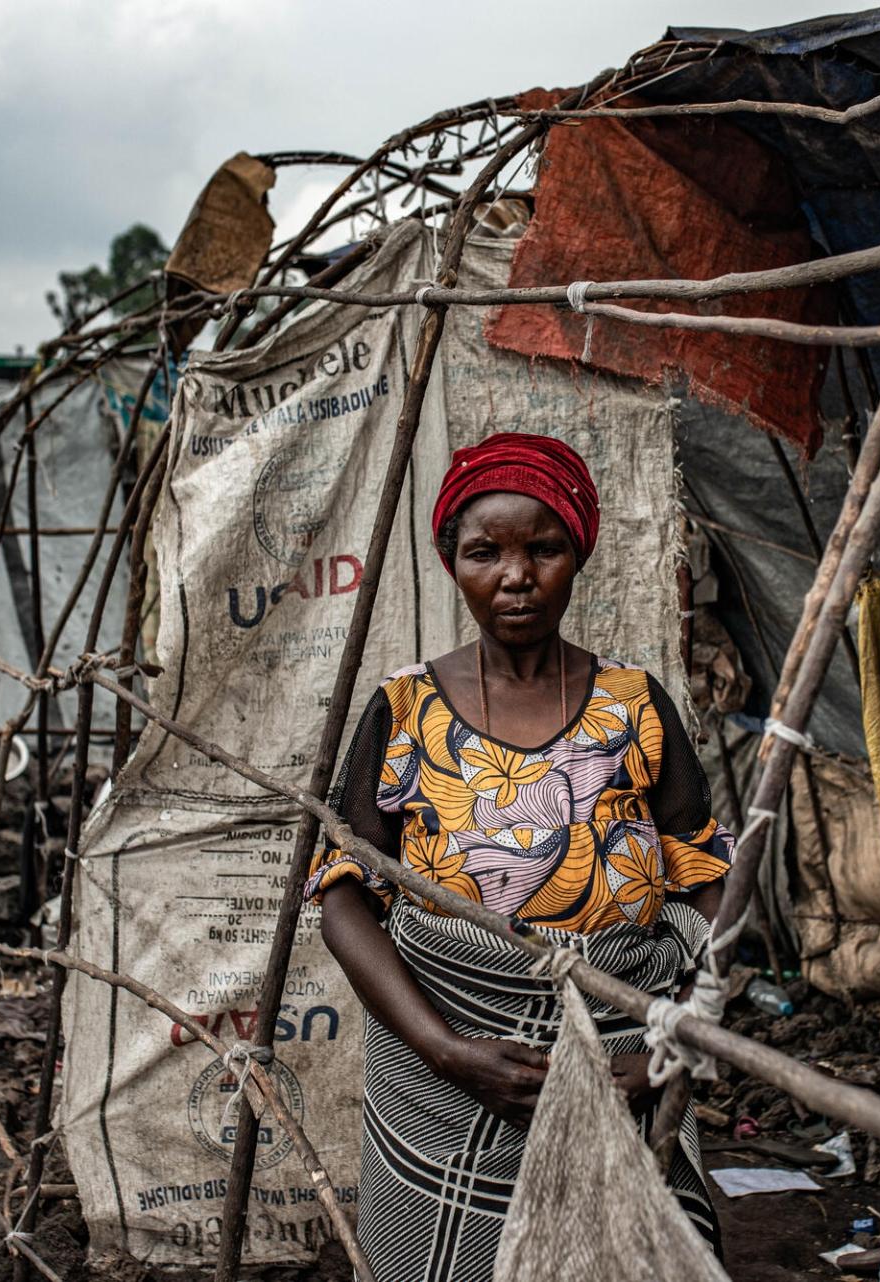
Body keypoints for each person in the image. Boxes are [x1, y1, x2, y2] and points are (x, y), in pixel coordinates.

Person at [306, 431, 732, 1282]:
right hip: (446, 1059)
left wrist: (664, 1050)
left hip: (623, 1053)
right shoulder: (405, 708)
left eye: (543, 549)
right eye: (483, 552)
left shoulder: (634, 704)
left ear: (577, 551)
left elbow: (708, 883)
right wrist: (446, 1050)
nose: (514, 576)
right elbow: (343, 892)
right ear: (449, 560)